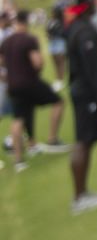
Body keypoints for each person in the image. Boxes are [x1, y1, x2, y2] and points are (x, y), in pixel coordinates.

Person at [64, 0, 97, 213]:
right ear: (87, 4)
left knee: (84, 141)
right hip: (87, 95)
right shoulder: (84, 32)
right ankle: (79, 197)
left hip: (82, 92)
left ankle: (82, 193)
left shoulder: (77, 27)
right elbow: (94, 70)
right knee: (83, 141)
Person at [0, 10, 68, 171]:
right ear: (27, 22)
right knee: (58, 101)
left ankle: (19, 160)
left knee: (19, 118)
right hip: (29, 81)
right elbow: (37, 62)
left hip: (13, 84)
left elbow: (1, 62)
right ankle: (52, 138)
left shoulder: (7, 41)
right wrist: (36, 69)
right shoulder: (29, 39)